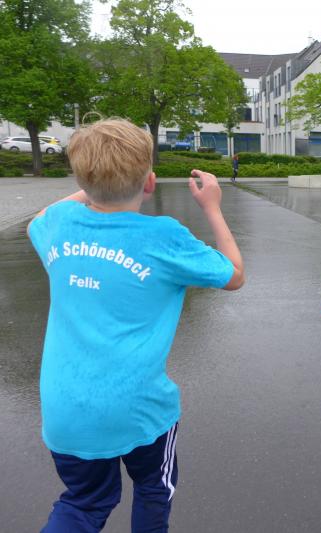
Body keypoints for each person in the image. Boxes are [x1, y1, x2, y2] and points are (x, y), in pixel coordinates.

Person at [27, 119, 245, 532]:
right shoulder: (163, 237)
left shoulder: (58, 225)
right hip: (138, 409)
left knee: (85, 502)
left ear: (80, 180)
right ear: (150, 182)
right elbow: (234, 275)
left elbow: (42, 214)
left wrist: (93, 184)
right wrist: (213, 209)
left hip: (66, 409)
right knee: (153, 488)